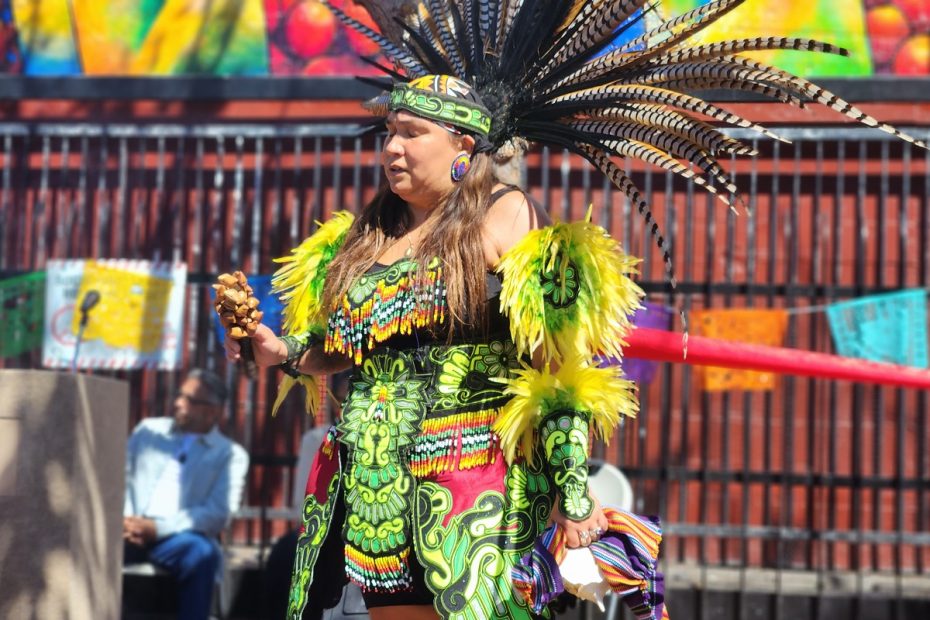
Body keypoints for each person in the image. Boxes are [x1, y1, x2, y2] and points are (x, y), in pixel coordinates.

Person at [224, 71, 654, 620]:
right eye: (388, 133)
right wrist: (277, 349)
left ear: (463, 144)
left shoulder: (508, 214)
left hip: (477, 484)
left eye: (411, 132)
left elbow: (560, 370)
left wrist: (572, 492)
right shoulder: (369, 231)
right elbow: (346, 343)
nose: (392, 148)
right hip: (378, 486)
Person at [124, 368, 250, 620]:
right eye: (180, 395)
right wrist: (125, 520)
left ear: (212, 411)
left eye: (190, 400)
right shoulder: (149, 431)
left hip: (175, 539)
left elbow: (217, 514)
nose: (178, 403)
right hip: (125, 529)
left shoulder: (230, 455)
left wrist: (157, 529)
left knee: (202, 553)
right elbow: (121, 477)